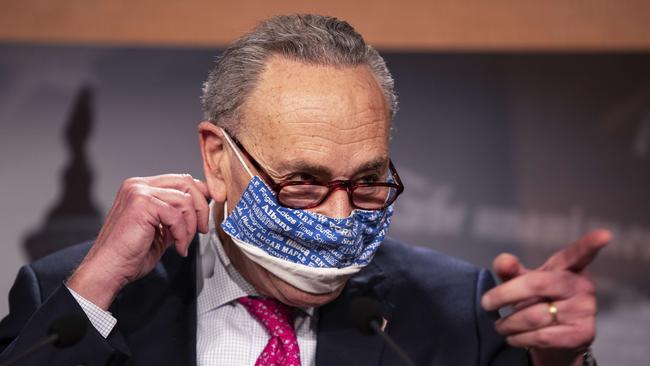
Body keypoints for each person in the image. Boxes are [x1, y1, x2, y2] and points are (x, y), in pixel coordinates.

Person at [0, 14, 606, 366]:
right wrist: (94, 289)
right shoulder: (72, 296)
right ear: (218, 158)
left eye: (368, 182)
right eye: (304, 182)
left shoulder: (460, 312)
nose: (342, 219)